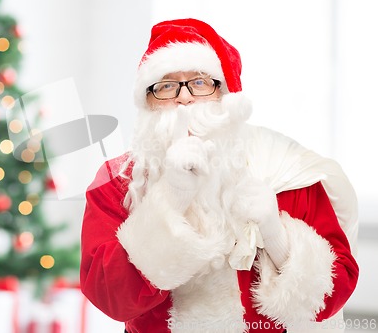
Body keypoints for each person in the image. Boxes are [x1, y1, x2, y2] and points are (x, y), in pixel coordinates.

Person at [80, 18, 359, 333]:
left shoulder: (281, 167)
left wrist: (276, 234)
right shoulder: (119, 181)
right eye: (166, 86)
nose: (183, 98)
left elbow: (333, 293)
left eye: (200, 82)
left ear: (226, 94)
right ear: (147, 101)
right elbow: (110, 298)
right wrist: (169, 201)